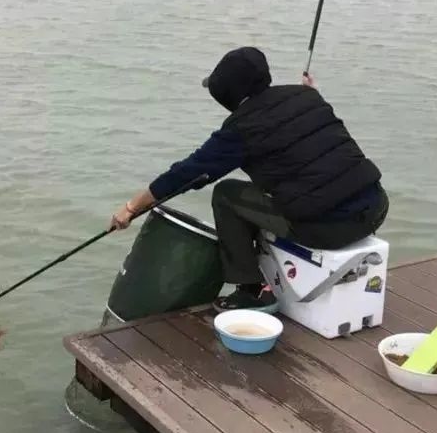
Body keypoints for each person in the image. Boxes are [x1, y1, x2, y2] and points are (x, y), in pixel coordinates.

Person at [110, 47, 388, 312]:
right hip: (375, 208)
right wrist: (308, 94)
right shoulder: (309, 97)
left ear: (225, 94)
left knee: (226, 194)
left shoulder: (241, 129)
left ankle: (250, 290)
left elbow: (186, 174)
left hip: (328, 229)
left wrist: (133, 207)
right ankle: (270, 276)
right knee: (275, 186)